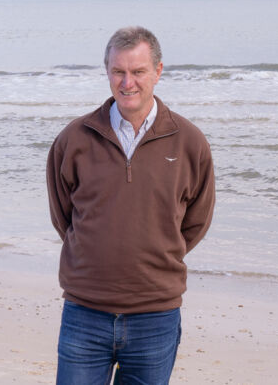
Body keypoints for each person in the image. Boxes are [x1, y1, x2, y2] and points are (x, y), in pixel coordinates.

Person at [46, 26, 215, 384]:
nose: (127, 83)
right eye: (118, 71)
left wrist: (153, 253)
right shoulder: (74, 139)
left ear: (158, 71)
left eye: (138, 71)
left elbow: (196, 221)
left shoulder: (189, 142)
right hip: (84, 312)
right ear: (107, 72)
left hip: (155, 316)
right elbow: (63, 216)